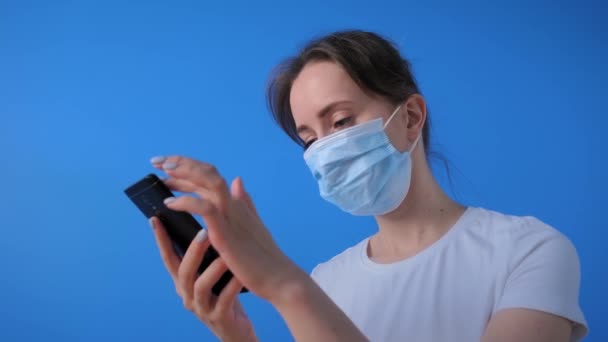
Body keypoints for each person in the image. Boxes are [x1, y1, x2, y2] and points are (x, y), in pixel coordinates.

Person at [147, 30, 587, 341]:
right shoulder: (328, 283)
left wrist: (285, 285)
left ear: (411, 117)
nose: (324, 149)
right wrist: (238, 338)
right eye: (310, 139)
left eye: (340, 121)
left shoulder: (530, 251)